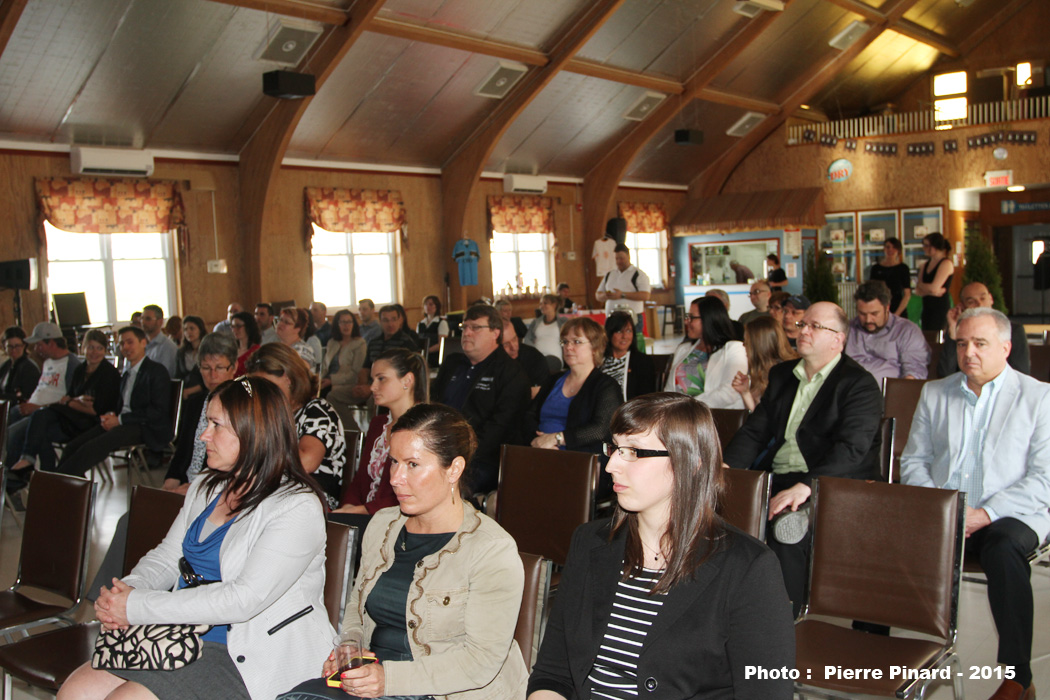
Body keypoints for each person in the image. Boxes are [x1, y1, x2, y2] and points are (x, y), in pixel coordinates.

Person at [58, 376, 333, 700]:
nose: (204, 435)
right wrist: (127, 590)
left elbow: (242, 600)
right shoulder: (208, 485)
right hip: (180, 632)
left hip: (246, 648)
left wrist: (136, 606)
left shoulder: (296, 506)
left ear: (253, 431)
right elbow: (168, 554)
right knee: (74, 691)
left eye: (216, 425)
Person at [527, 393, 795, 700]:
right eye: (614, 448)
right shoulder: (590, 543)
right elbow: (553, 672)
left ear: (689, 464)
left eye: (634, 452)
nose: (611, 464)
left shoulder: (749, 568)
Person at [280, 404, 528, 700]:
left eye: (412, 464)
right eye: (393, 462)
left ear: (454, 469)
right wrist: (350, 649)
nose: (395, 478)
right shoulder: (384, 525)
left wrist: (388, 680)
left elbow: (481, 662)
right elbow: (357, 610)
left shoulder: (490, 549)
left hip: (446, 691)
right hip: (378, 681)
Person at [901, 308, 1050, 700]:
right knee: (877, 536)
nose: (969, 352)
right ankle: (870, 654)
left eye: (980, 344)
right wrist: (942, 510)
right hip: (944, 513)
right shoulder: (936, 392)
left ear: (1006, 347)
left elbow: (1043, 478)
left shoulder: (1039, 397)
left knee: (1002, 548)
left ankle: (1018, 679)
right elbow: (913, 461)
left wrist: (983, 514)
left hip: (1009, 514)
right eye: (962, 343)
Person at [723, 301, 882, 616]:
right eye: (802, 323)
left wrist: (807, 485)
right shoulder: (783, 375)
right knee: (712, 516)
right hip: (779, 476)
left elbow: (851, 450)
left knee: (786, 529)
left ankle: (785, 622)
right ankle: (731, 613)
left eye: (814, 326)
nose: (802, 330)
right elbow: (755, 432)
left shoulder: (858, 384)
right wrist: (726, 468)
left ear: (838, 339)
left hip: (832, 482)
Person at [432, 305, 529, 494]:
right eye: (464, 327)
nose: (467, 332)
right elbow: (432, 407)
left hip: (483, 459)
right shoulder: (452, 364)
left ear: (495, 333)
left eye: (475, 328)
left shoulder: (511, 373)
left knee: (438, 488)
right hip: (439, 449)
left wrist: (459, 453)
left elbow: (500, 428)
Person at [5, 329, 121, 484]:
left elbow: (94, 409)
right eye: (91, 347)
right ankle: (47, 478)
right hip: (72, 418)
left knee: (38, 419)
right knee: (40, 428)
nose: (94, 352)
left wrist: (70, 402)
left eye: (99, 348)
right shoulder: (81, 369)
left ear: (105, 351)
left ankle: (32, 467)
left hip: (90, 424)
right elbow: (71, 397)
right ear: (83, 348)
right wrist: (73, 401)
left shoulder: (109, 374)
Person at [247, 343, 346, 510]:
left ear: (288, 379)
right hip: (276, 492)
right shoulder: (271, 412)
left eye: (267, 385)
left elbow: (306, 462)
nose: (262, 394)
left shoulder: (318, 410)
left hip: (312, 498)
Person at [331, 348, 427, 520]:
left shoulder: (424, 429)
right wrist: (349, 506)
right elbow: (360, 479)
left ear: (407, 380)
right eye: (373, 379)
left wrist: (365, 510)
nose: (373, 387)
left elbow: (416, 490)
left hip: (400, 520)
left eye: (381, 379)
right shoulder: (378, 424)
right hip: (367, 515)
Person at [529, 317, 622, 457]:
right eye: (565, 341)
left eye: (577, 342)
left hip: (580, 460)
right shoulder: (553, 380)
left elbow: (601, 429)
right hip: (540, 451)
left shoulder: (606, 386)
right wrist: (537, 440)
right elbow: (529, 415)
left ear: (595, 347)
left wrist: (557, 439)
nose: (568, 347)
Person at [164, 332, 240, 491]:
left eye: (219, 367)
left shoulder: (241, 406)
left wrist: (194, 489)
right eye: (206, 368)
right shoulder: (195, 404)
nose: (212, 375)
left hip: (218, 488)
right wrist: (170, 482)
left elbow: (234, 464)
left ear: (234, 368)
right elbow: (182, 451)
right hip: (187, 485)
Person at [665, 297, 747, 409]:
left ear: (709, 319)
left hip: (718, 418)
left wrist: (686, 408)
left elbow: (729, 392)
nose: (686, 321)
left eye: (691, 317)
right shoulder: (683, 349)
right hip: (680, 419)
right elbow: (669, 390)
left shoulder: (735, 349)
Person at [844, 279, 929, 384]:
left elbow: (914, 372)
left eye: (874, 314)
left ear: (887, 307)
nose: (868, 320)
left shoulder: (906, 331)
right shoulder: (848, 329)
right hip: (849, 394)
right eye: (862, 314)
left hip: (888, 396)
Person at [938, 281, 1030, 377]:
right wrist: (953, 333)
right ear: (962, 306)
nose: (979, 304)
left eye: (983, 298)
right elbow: (945, 374)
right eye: (971, 302)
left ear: (991, 299)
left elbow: (1021, 373)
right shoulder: (958, 332)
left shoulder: (1013, 330)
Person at [8, 321, 81, 424]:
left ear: (51, 343)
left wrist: (38, 407)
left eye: (39, 345)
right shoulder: (47, 362)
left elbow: (71, 402)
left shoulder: (71, 365)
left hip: (46, 416)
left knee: (11, 435)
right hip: (31, 409)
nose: (36, 349)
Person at [731, 315, 798, 413]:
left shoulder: (786, 375)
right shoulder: (758, 371)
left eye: (747, 342)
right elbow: (757, 417)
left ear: (758, 346)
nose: (743, 345)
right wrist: (745, 393)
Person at [320, 309, 368, 428]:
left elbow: (355, 372)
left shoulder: (359, 344)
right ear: (337, 324)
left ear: (354, 324)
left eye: (349, 322)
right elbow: (325, 366)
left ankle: (351, 432)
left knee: (329, 396)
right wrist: (320, 379)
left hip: (348, 383)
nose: (346, 325)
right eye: (342, 322)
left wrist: (332, 381)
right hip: (327, 381)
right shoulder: (332, 342)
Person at [600, 311, 655, 401]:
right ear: (609, 334)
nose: (624, 336)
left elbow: (646, 398)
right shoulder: (599, 360)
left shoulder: (643, 361)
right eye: (619, 331)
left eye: (628, 331)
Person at [595, 244, 651, 317]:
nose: (619, 261)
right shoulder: (609, 274)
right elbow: (597, 295)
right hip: (611, 317)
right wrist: (605, 295)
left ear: (628, 257)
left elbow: (645, 296)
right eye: (616, 258)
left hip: (632, 317)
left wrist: (622, 295)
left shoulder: (638, 274)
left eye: (621, 258)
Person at [915, 232, 955, 331]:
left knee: (938, 336)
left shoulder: (946, 263)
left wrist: (929, 289)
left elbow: (934, 287)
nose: (924, 248)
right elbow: (918, 289)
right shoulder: (925, 265)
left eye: (927, 245)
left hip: (940, 308)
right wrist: (932, 291)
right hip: (927, 307)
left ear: (935, 246)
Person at [502, 319, 549, 399]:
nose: (514, 347)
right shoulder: (487, 359)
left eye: (514, 339)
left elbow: (540, 395)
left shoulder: (534, 358)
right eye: (506, 344)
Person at [868, 236, 912, 317]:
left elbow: (907, 294)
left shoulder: (903, 268)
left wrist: (897, 314)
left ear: (898, 250)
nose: (890, 250)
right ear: (884, 249)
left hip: (898, 308)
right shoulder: (876, 268)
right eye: (888, 247)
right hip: (880, 308)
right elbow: (871, 291)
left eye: (894, 247)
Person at [523, 294, 567, 365]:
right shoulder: (536, 322)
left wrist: (561, 345)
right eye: (540, 304)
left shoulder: (562, 322)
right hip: (537, 357)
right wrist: (533, 352)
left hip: (554, 358)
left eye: (545, 303)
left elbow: (566, 340)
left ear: (554, 305)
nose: (541, 306)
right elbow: (527, 339)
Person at [0, 326, 40, 403]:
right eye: (10, 346)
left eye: (17, 346)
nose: (14, 350)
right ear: (4, 347)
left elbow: (25, 396)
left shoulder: (29, 368)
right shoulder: (6, 365)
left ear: (24, 345)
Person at [141, 304, 178, 377]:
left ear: (160, 322)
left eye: (148, 319)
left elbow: (163, 375)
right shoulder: (141, 344)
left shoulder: (168, 347)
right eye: (142, 318)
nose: (143, 322)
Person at [176, 314, 207, 397]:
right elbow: (178, 375)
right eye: (185, 329)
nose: (188, 332)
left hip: (203, 393)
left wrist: (190, 391)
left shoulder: (207, 351)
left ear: (200, 330)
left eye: (192, 328)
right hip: (185, 394)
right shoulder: (181, 352)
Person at [416, 294, 449, 367]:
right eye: (426, 304)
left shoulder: (441, 323)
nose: (428, 307)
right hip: (423, 357)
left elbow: (442, 344)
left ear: (436, 306)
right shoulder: (420, 324)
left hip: (435, 358)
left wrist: (427, 351)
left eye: (431, 304)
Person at [231, 310, 262, 376]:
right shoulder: (231, 349)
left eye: (238, 326)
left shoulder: (256, 351)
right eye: (233, 326)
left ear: (249, 327)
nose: (234, 330)